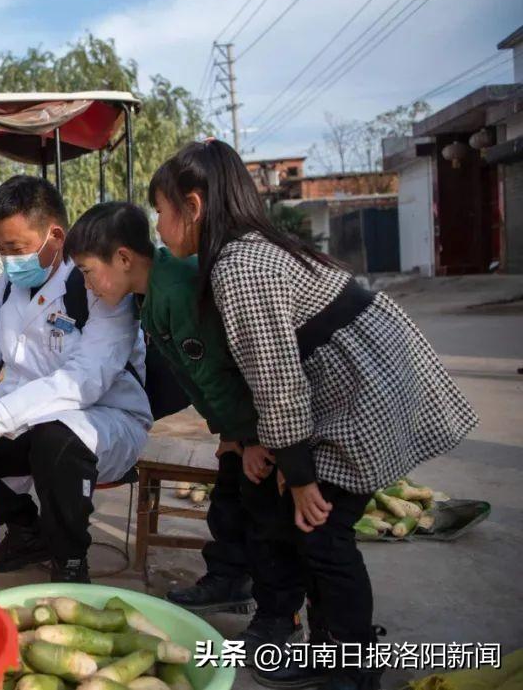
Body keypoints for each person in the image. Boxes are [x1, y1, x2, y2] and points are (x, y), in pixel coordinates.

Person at [144, 138, 477, 690]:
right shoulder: (250, 249)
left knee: (323, 533)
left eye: (160, 210)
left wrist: (299, 476)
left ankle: (351, 671)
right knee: (314, 535)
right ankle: (332, 655)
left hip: (361, 389)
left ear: (193, 206)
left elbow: (277, 382)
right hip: (357, 376)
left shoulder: (239, 269)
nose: (158, 225)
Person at [65, 201, 304, 649]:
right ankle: (229, 580)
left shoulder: (175, 293)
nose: (87, 284)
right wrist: (227, 434)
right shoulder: (152, 295)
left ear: (123, 259)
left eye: (86, 271)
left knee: (266, 520)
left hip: (267, 419)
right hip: (242, 422)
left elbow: (223, 374)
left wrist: (248, 438)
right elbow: (198, 381)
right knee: (229, 501)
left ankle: (281, 619)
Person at [0, 175, 153, 583]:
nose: (9, 260)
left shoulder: (99, 280)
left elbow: (85, 379)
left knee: (57, 437)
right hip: (22, 415)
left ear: (55, 235)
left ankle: (70, 563)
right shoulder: (11, 281)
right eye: (0, 248)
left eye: (16, 248)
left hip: (101, 416)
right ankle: (29, 530)